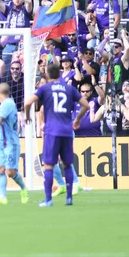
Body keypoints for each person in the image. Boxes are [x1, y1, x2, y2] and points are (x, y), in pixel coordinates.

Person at [25, 64, 89, 207]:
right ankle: (69, 198)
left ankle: (48, 200)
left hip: (51, 131)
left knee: (48, 165)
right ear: (59, 74)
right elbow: (86, 105)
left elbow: (28, 102)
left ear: (47, 75)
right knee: (67, 164)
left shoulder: (45, 88)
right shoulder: (69, 88)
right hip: (66, 130)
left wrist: (27, 116)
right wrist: (77, 119)